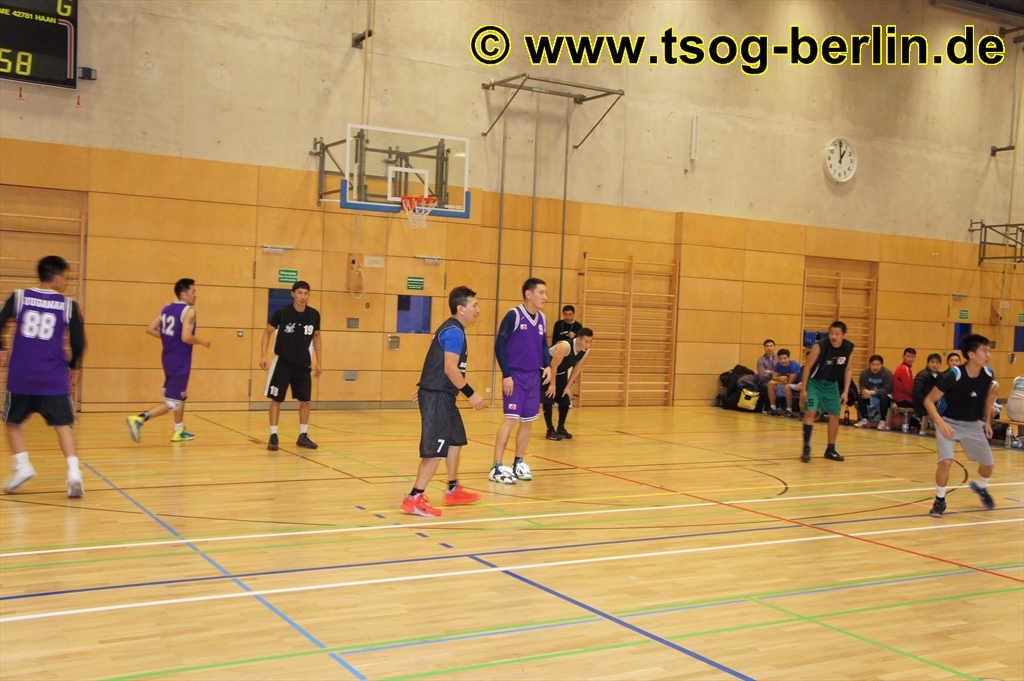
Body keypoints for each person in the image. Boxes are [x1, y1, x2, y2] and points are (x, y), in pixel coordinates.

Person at [0, 256, 86, 497]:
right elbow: (79, 341)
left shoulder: (19, 297)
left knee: (12, 422)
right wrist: (74, 365)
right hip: (53, 377)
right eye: (65, 277)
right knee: (63, 424)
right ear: (57, 278)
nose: (65, 282)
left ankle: (23, 467)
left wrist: (1, 348)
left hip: (21, 375)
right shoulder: (68, 305)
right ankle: (74, 473)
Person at [401, 286, 487, 517]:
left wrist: (427, 384)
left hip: (442, 394)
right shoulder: (454, 332)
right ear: (461, 309)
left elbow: (435, 362)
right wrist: (471, 393)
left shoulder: (453, 329)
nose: (478, 310)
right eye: (474, 305)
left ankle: (452, 489)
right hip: (438, 395)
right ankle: (415, 497)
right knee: (436, 450)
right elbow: (450, 368)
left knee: (455, 439)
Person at [125, 279, 211, 443]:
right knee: (174, 403)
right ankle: (139, 419)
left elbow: (150, 329)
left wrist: (169, 339)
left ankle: (178, 430)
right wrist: (202, 341)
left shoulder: (166, 308)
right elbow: (186, 337)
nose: (195, 295)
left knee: (181, 395)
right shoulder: (189, 311)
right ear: (184, 294)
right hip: (180, 361)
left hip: (168, 358)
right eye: (193, 292)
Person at [923, 334, 999, 518]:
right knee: (946, 462)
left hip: (973, 424)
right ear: (971, 354)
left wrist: (988, 422)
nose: (988, 355)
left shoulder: (988, 374)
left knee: (988, 465)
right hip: (948, 422)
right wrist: (941, 423)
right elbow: (929, 401)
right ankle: (939, 500)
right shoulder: (954, 375)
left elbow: (988, 398)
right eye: (984, 351)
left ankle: (980, 486)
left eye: (989, 351)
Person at [491, 278, 551, 484]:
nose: (545, 297)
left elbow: (543, 345)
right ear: (528, 294)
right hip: (515, 375)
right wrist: (506, 375)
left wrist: (548, 365)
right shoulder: (514, 315)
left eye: (545, 293)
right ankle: (497, 466)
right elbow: (499, 345)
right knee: (511, 420)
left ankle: (518, 462)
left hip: (534, 376)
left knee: (527, 422)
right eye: (541, 292)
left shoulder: (542, 318)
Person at [260, 281, 322, 451]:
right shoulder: (282, 313)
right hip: (283, 363)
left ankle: (303, 435)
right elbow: (267, 332)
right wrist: (264, 354)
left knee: (306, 401)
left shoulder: (314, 315)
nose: (303, 297)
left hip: (303, 365)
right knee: (276, 400)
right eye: (300, 293)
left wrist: (319, 361)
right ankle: (273, 435)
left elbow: (317, 337)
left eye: (306, 293)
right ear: (293, 294)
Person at [799, 321, 854, 462]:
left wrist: (845, 391)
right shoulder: (820, 346)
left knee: (835, 415)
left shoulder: (848, 347)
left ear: (843, 335)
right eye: (831, 333)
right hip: (815, 383)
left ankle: (830, 449)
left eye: (837, 334)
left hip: (831, 385)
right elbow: (807, 367)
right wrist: (804, 389)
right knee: (811, 412)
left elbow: (848, 369)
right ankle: (806, 447)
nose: (833, 336)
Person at [543, 328, 593, 440]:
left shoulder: (585, 351)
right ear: (578, 339)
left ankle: (561, 428)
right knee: (549, 397)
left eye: (590, 342)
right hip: (547, 371)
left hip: (561, 372)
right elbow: (553, 366)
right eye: (586, 342)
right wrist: (552, 385)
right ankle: (550, 430)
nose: (588, 345)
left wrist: (568, 387)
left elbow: (577, 369)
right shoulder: (565, 346)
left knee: (565, 398)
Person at [855, 355, 893, 430]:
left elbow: (886, 389)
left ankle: (882, 420)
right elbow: (862, 386)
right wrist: (865, 392)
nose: (875, 367)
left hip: (884, 396)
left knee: (883, 396)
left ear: (882, 365)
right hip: (870, 395)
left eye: (878, 365)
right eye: (873, 364)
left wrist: (872, 392)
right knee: (860, 396)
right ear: (869, 365)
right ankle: (865, 419)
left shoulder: (887, 373)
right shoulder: (865, 373)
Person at [913, 353, 943, 435]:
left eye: (937, 362)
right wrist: (928, 403)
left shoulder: (940, 376)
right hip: (921, 403)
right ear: (928, 363)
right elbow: (917, 392)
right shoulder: (922, 374)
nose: (934, 365)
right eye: (932, 362)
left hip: (935, 403)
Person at [767, 348, 801, 417]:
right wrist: (780, 378)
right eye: (780, 359)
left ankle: (789, 410)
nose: (783, 361)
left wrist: (778, 381)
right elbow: (773, 377)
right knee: (770, 384)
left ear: (789, 358)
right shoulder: (778, 365)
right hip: (785, 385)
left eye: (785, 358)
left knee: (787, 386)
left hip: (796, 386)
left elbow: (789, 382)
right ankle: (773, 408)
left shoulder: (795, 365)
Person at [757, 339, 778, 414]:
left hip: (777, 381)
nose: (769, 348)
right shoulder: (761, 360)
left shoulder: (778, 358)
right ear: (764, 347)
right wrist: (774, 374)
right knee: (769, 386)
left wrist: (770, 372)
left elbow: (781, 373)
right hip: (765, 382)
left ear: (774, 347)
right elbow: (762, 376)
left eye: (771, 346)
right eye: (767, 346)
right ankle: (770, 407)